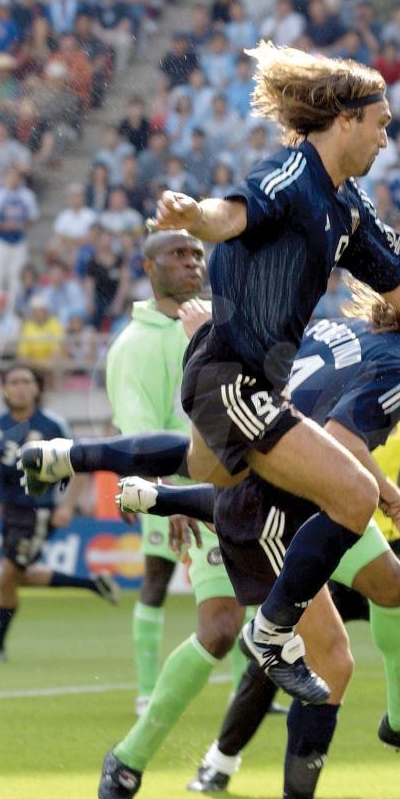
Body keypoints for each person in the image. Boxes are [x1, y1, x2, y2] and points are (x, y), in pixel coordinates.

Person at [19, 41, 400, 706]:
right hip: (233, 376)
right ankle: (272, 631)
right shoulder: (289, 177)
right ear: (345, 122)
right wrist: (193, 216)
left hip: (242, 381)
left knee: (207, 470)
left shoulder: (347, 206)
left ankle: (67, 456)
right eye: (380, 123)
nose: (388, 136)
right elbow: (229, 215)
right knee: (352, 495)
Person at [92, 259, 400, 799]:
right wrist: (398, 508)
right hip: (277, 507)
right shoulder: (396, 364)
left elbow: (311, 431)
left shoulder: (333, 329)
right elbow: (336, 441)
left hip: (313, 494)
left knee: (397, 585)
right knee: (316, 657)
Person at [188, 337, 400, 794]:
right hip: (330, 543)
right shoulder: (320, 400)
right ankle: (221, 760)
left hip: (390, 546)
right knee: (286, 649)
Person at [102, 228, 248, 716]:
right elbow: (136, 431)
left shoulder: (216, 325)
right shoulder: (136, 345)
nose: (191, 263)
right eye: (177, 254)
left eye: (197, 254)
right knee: (160, 581)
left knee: (245, 587)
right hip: (172, 490)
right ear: (148, 267)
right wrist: (163, 498)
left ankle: (245, 693)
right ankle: (149, 692)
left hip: (225, 485)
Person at [0, 364, 119, 661]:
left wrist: (67, 505)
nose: (21, 387)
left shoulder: (52, 424)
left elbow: (82, 464)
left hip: (39, 511)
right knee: (17, 576)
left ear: (37, 388)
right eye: (14, 382)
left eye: (26, 381)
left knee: (7, 575)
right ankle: (92, 584)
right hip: (11, 511)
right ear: (5, 389)